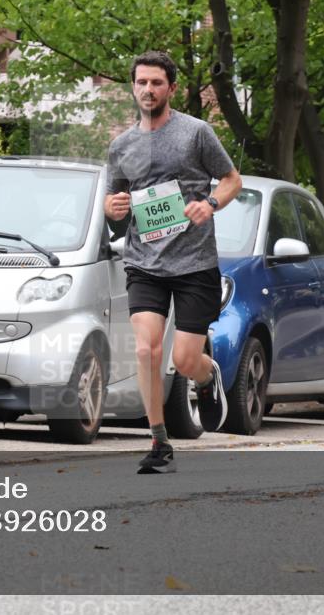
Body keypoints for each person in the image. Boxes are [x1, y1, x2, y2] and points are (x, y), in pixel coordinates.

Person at [105, 51, 242, 474]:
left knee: (184, 360)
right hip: (144, 262)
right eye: (142, 82)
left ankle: (206, 376)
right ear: (133, 87)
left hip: (194, 262)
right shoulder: (121, 145)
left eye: (157, 83)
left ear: (171, 88)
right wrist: (113, 210)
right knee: (146, 348)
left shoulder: (196, 133)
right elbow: (117, 208)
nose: (148, 90)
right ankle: (159, 442)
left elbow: (232, 179)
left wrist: (211, 203)